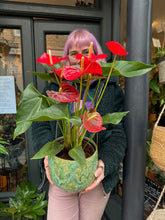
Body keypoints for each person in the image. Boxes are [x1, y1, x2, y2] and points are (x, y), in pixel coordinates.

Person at [32, 29, 127, 220]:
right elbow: (41, 125)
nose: (80, 58)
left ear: (96, 54)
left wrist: (104, 164)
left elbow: (118, 134)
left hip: (94, 175)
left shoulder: (109, 90)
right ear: (67, 58)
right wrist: (48, 157)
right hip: (63, 172)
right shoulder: (54, 87)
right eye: (74, 53)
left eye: (86, 52)